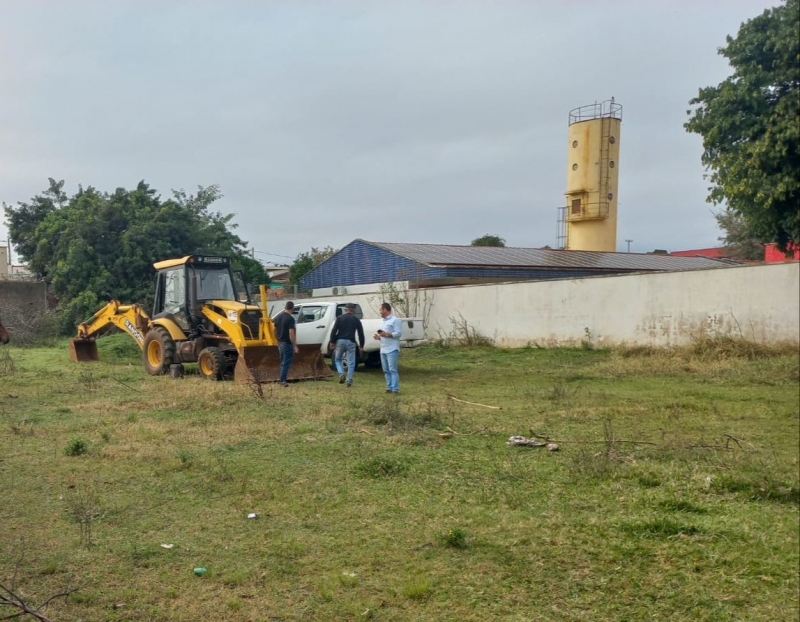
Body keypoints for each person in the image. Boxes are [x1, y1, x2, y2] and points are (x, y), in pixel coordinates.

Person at [329, 303, 365, 387]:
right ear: (354, 310)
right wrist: (361, 345)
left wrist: (332, 341)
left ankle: (341, 374)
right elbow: (361, 333)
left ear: (345, 309)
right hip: (351, 342)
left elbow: (334, 331)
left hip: (340, 341)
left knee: (337, 359)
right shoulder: (356, 320)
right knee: (351, 362)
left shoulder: (340, 318)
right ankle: (349, 380)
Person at [373, 302, 402, 394]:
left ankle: (395, 389)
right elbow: (383, 334)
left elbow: (398, 333)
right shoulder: (383, 321)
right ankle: (389, 387)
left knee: (392, 369)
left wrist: (387, 334)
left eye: (381, 310)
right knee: (386, 370)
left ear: (385, 309)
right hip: (383, 348)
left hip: (392, 348)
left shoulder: (395, 320)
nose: (380, 312)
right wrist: (379, 337)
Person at [273, 301, 299, 386]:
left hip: (280, 343)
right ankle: (283, 380)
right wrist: (294, 345)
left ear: (285, 307)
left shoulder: (278, 317)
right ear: (292, 308)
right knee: (286, 362)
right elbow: (291, 333)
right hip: (287, 343)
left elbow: (274, 330)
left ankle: (281, 378)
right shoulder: (290, 319)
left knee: (283, 362)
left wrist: (276, 338)